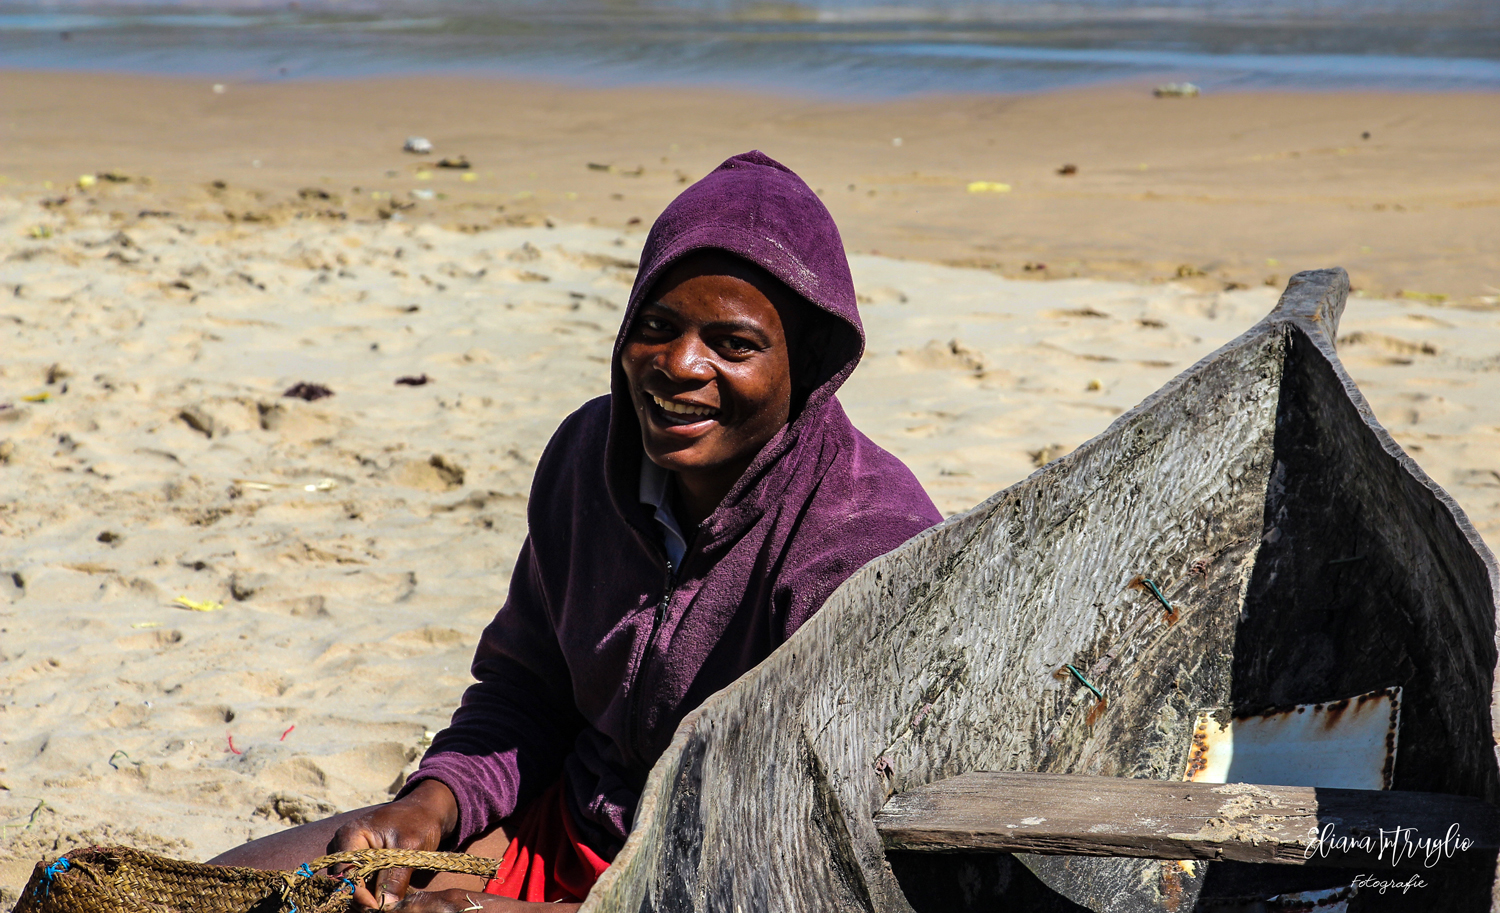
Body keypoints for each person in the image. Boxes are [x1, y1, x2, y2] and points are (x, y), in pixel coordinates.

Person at [210, 150, 942, 911]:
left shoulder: (861, 542)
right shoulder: (588, 455)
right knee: (229, 893)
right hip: (565, 826)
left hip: (718, 877)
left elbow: (806, 861)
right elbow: (526, 689)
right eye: (656, 327)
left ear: (811, 363)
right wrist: (427, 808)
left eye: (733, 344)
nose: (680, 365)